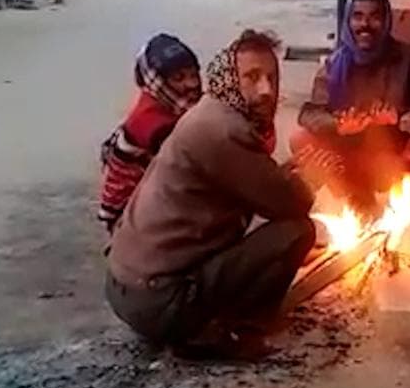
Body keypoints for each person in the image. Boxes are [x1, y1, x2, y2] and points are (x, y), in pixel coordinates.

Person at [106, 30, 316, 358]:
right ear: (229, 78)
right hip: (158, 302)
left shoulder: (210, 111)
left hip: (128, 286)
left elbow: (259, 181)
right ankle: (236, 328)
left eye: (273, 78)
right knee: (297, 231)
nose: (266, 91)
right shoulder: (225, 131)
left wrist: (290, 174)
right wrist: (315, 177)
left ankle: (201, 319)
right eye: (252, 77)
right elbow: (291, 204)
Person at [292, 0, 410, 214]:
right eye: (358, 17)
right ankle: (356, 194)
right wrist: (339, 125)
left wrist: (400, 118)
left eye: (374, 17)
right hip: (352, 155)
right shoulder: (334, 65)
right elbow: (311, 113)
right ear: (348, 21)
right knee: (302, 139)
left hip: (397, 156)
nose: (365, 25)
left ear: (386, 21)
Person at [97, 34, 202, 232]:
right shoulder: (150, 120)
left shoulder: (175, 106)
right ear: (156, 81)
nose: (191, 84)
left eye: (193, 75)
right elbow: (195, 156)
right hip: (130, 217)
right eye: (178, 78)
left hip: (154, 195)